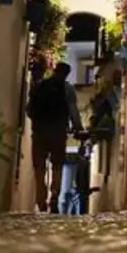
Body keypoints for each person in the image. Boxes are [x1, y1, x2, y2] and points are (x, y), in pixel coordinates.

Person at [29, 62, 84, 213]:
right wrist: (78, 129)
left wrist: (38, 123)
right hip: (58, 132)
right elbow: (73, 111)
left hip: (40, 132)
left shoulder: (39, 86)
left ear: (54, 70)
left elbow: (29, 110)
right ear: (66, 74)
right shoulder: (67, 89)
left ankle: (41, 200)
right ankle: (54, 195)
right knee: (57, 165)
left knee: (39, 167)